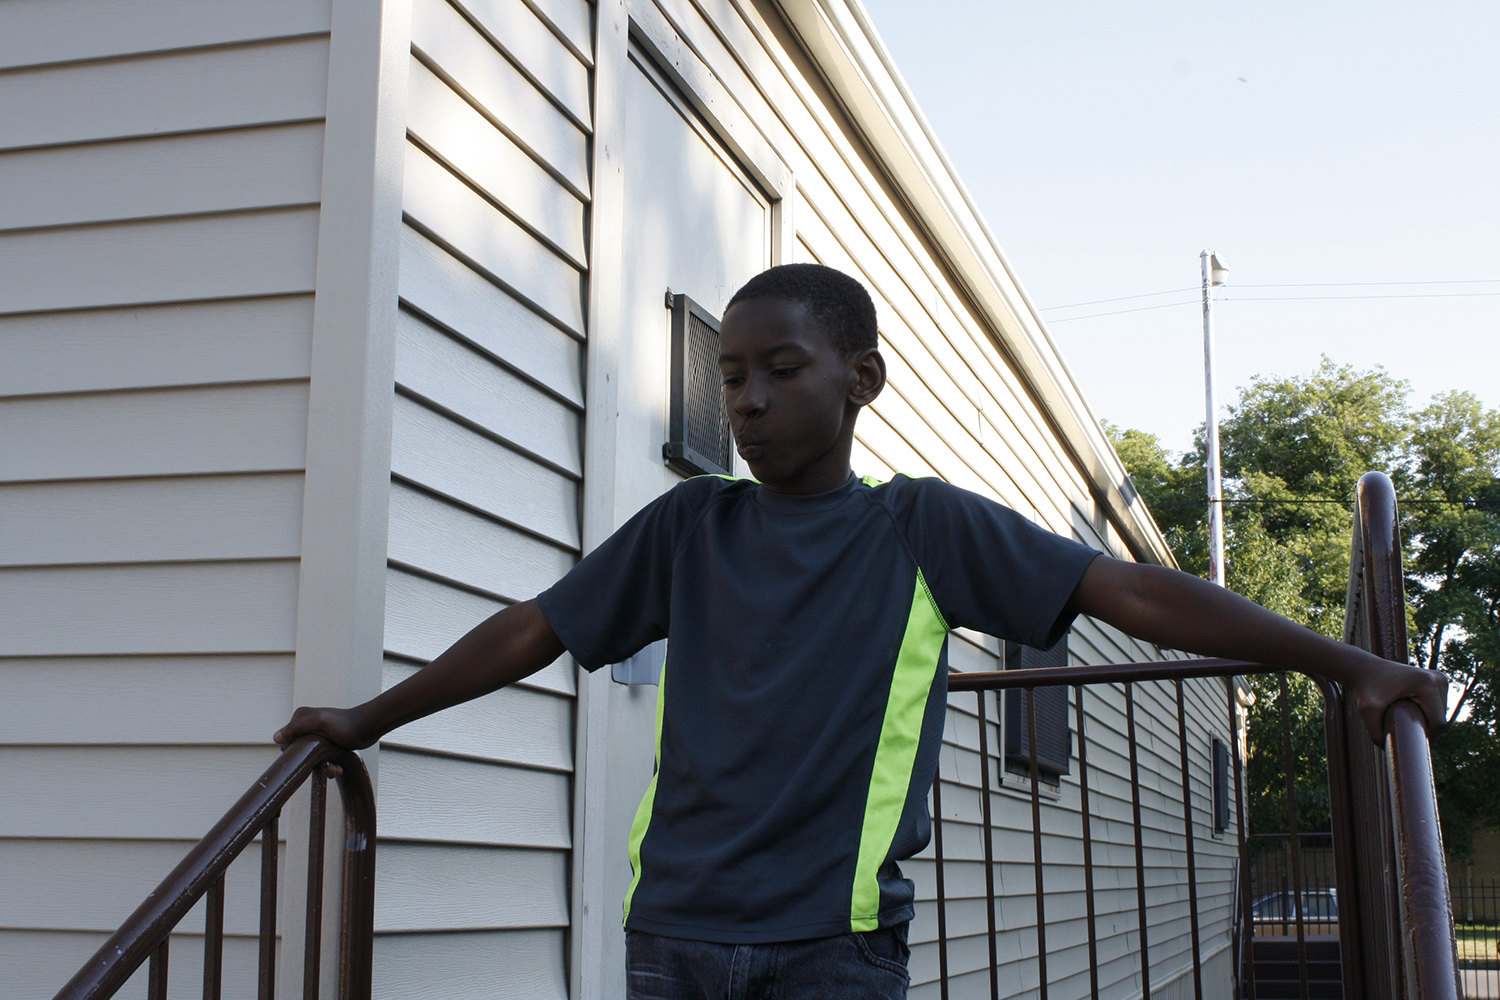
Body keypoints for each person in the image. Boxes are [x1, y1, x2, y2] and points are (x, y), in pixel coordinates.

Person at [275, 264, 1447, 1000]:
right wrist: (370, 717)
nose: (746, 399)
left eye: (781, 369)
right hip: (672, 934)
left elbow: (1125, 592)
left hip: (832, 951)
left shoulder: (918, 527)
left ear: (862, 378)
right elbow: (536, 627)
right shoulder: (692, 526)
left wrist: (1350, 664)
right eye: (730, 374)